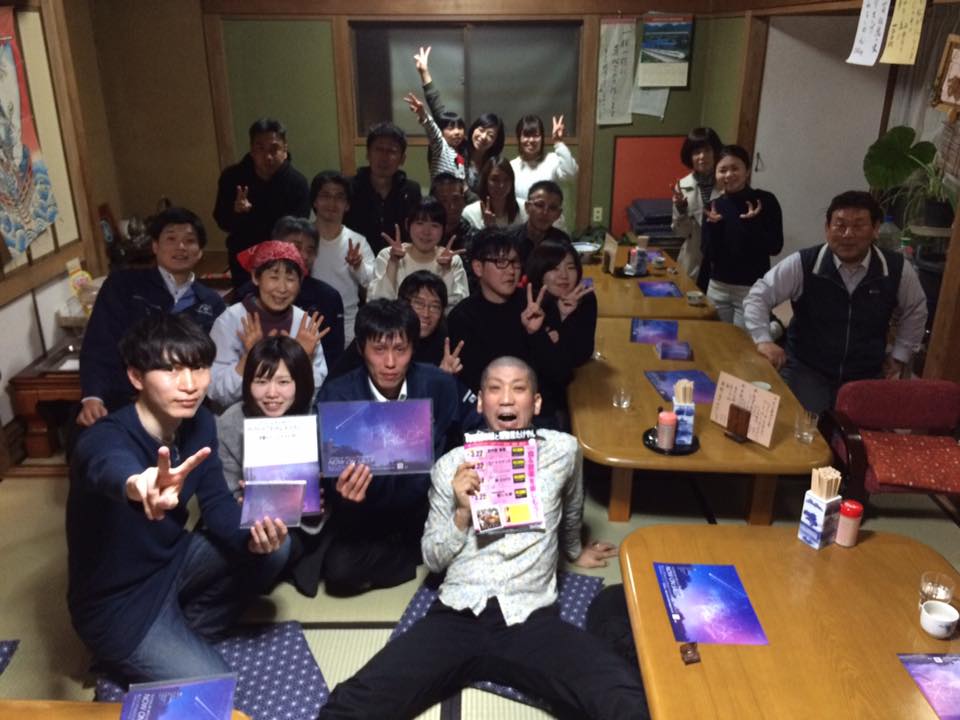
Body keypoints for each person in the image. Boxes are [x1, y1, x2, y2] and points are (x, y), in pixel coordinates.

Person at [317, 357, 649, 720]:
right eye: (494, 389)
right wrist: (462, 513)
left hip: (530, 616)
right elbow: (433, 557)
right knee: (355, 701)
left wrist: (573, 550)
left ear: (536, 402)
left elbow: (571, 506)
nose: (506, 398)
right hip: (458, 614)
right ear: (479, 402)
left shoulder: (563, 451)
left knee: (623, 694)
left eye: (518, 389)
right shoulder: (450, 466)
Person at [67, 314, 290, 683]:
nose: (190, 385)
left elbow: (217, 505)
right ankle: (135, 652)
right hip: (119, 602)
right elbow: (105, 463)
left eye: (199, 368)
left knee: (275, 547)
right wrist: (138, 483)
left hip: (171, 563)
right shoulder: (105, 437)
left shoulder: (200, 422)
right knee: (215, 686)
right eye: (171, 370)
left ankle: (186, 631)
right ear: (136, 377)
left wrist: (254, 537)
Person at [314, 299, 466, 596]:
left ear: (414, 348)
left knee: (471, 543)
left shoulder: (438, 384)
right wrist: (344, 495)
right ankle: (412, 557)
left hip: (426, 505)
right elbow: (332, 478)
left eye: (400, 349)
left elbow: (461, 437)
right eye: (379, 350)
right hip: (367, 512)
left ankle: (419, 549)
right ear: (361, 349)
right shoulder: (338, 396)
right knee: (339, 571)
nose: (390, 363)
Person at [743, 190, 928, 414]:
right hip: (808, 368)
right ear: (827, 228)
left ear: (875, 229)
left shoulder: (895, 269)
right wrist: (763, 340)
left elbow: (916, 309)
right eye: (840, 225)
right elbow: (758, 296)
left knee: (859, 431)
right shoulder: (805, 263)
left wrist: (900, 354)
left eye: (858, 226)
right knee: (801, 425)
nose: (848, 234)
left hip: (865, 371)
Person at [77, 207, 226, 428]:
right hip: (125, 400)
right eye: (171, 239)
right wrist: (93, 396)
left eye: (189, 241)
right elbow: (99, 343)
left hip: (185, 407)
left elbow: (214, 364)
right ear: (155, 246)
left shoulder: (211, 302)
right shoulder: (123, 285)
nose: (180, 247)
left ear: (200, 252)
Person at [208, 240, 328, 408]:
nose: (282, 288)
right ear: (255, 277)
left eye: (290, 279)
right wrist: (250, 357)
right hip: (240, 417)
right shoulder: (230, 321)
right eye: (273, 277)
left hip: (293, 418)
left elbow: (316, 391)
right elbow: (215, 391)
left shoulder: (303, 323)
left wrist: (303, 358)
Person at [447, 227, 560, 404]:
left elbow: (559, 375)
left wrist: (536, 334)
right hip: (484, 411)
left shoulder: (536, 305)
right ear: (478, 267)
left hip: (535, 407)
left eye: (515, 262)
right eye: (501, 262)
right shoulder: (462, 317)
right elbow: (469, 384)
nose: (511, 271)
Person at [235, 216, 345, 367]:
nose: (304, 256)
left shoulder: (328, 297)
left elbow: (334, 356)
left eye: (310, 250)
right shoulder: (247, 294)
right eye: (296, 247)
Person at [213, 118, 310, 288]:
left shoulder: (297, 183)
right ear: (251, 150)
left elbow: (299, 229)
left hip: (282, 259)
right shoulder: (232, 177)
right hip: (243, 260)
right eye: (260, 149)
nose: (268, 156)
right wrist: (236, 212)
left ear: (285, 149)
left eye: (274, 149)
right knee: (247, 300)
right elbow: (222, 221)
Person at [216, 335, 316, 499]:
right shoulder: (230, 423)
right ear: (248, 383)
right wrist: (242, 502)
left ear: (300, 382)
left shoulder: (316, 416)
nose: (271, 393)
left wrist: (324, 497)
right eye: (261, 382)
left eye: (283, 382)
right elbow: (224, 494)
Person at [699, 145, 783, 327]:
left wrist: (753, 225)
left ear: (747, 171)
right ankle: (773, 329)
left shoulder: (764, 201)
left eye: (735, 168)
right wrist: (714, 228)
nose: (729, 175)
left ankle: (774, 329)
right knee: (718, 338)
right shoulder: (713, 206)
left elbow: (775, 246)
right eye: (722, 170)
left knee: (744, 340)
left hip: (751, 287)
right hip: (717, 286)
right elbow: (708, 253)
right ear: (716, 174)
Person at [330, 270, 463, 379]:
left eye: (435, 307)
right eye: (419, 304)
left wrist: (444, 381)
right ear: (402, 304)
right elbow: (335, 384)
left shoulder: (446, 342)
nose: (426, 313)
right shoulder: (379, 333)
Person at [525, 239, 596, 429]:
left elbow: (581, 355)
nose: (564, 275)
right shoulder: (530, 304)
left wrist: (563, 319)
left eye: (570, 267)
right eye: (554, 268)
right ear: (540, 272)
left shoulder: (585, 299)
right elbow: (547, 370)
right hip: (533, 399)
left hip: (564, 392)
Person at [414, 45, 503, 194]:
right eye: (481, 130)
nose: (483, 137)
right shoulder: (456, 147)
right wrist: (424, 73)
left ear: (496, 141)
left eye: (491, 135)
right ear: (473, 129)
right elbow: (439, 113)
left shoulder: (493, 162)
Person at [309, 171, 375, 346]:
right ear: (315, 201)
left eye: (339, 197)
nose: (332, 203)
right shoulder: (302, 237)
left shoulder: (357, 241)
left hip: (347, 325)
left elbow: (374, 284)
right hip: (306, 322)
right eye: (325, 196)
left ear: (347, 205)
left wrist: (358, 266)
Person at [368, 197, 469, 309]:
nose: (426, 232)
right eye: (420, 223)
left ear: (444, 229)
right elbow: (377, 305)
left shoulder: (452, 260)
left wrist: (447, 270)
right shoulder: (388, 255)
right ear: (407, 224)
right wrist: (393, 262)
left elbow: (457, 308)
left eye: (434, 225)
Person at [343, 122, 422, 256]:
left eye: (392, 151)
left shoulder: (411, 191)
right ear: (368, 154)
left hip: (399, 260)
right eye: (378, 149)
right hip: (355, 260)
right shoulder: (349, 187)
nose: (384, 157)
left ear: (402, 159)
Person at [510, 114, 578, 230]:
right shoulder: (512, 166)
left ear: (542, 138)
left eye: (536, 135)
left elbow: (571, 174)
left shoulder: (553, 160)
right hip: (524, 230)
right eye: (526, 135)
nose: (531, 140)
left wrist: (558, 142)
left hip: (554, 230)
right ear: (519, 138)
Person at [671, 127, 723, 279]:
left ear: (715, 152)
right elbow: (681, 233)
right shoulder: (682, 186)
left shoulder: (727, 182)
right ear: (689, 156)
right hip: (693, 259)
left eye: (707, 150)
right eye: (696, 152)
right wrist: (681, 209)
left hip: (722, 259)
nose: (702, 156)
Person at [403, 91, 465, 182]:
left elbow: (460, 180)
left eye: (460, 127)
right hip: (440, 191)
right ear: (441, 132)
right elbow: (432, 129)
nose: (457, 132)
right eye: (451, 128)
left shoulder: (460, 154)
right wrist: (422, 113)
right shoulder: (441, 147)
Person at [509, 180, 570, 263]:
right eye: (540, 205)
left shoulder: (561, 241)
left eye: (552, 208)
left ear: (558, 214)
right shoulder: (510, 238)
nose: (545, 212)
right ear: (527, 207)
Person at [462, 157, 526, 230]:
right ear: (485, 181)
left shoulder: (524, 209)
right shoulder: (470, 214)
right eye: (495, 180)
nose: (501, 185)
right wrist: (487, 228)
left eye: (506, 179)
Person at [431, 172, 474, 252]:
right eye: (444, 201)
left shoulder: (474, 238)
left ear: (463, 202)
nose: (451, 206)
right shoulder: (423, 234)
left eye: (456, 199)